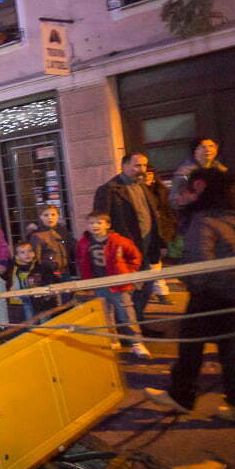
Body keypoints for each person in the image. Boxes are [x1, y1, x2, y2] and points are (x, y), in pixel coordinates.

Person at [145, 169, 235, 417]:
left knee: (190, 347)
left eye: (190, 189)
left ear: (201, 189)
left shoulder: (204, 220)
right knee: (232, 351)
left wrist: (191, 284)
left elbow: (198, 263)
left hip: (210, 294)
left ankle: (181, 396)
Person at [93, 152, 164, 320]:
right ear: (124, 166)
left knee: (145, 288)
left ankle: (138, 323)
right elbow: (100, 222)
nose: (142, 169)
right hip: (124, 252)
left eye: (144, 165)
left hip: (145, 249)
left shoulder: (143, 187)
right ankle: (129, 328)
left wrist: (159, 242)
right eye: (137, 165)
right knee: (126, 294)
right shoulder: (108, 190)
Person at [75, 211, 151, 359]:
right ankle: (112, 340)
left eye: (99, 222)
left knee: (126, 314)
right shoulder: (83, 243)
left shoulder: (119, 241)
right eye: (91, 223)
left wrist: (128, 272)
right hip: (98, 284)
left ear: (108, 225)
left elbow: (135, 257)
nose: (95, 226)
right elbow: (80, 259)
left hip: (119, 285)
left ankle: (136, 342)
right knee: (105, 314)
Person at [144, 165, 177, 302]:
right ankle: (158, 292)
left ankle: (159, 292)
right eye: (145, 174)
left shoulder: (161, 191)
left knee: (155, 263)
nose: (147, 176)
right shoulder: (136, 191)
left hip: (160, 231)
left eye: (150, 174)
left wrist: (170, 230)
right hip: (145, 232)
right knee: (152, 264)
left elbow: (168, 211)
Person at [170, 137, 226, 211]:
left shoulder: (220, 168)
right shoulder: (184, 173)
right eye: (203, 147)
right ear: (195, 151)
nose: (208, 149)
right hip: (197, 212)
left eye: (211, 146)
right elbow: (175, 201)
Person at [27, 204, 73, 288]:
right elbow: (36, 257)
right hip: (47, 274)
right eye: (46, 215)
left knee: (67, 293)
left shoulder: (63, 232)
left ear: (58, 216)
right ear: (40, 217)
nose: (50, 217)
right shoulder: (37, 235)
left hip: (64, 271)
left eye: (53, 214)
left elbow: (71, 248)